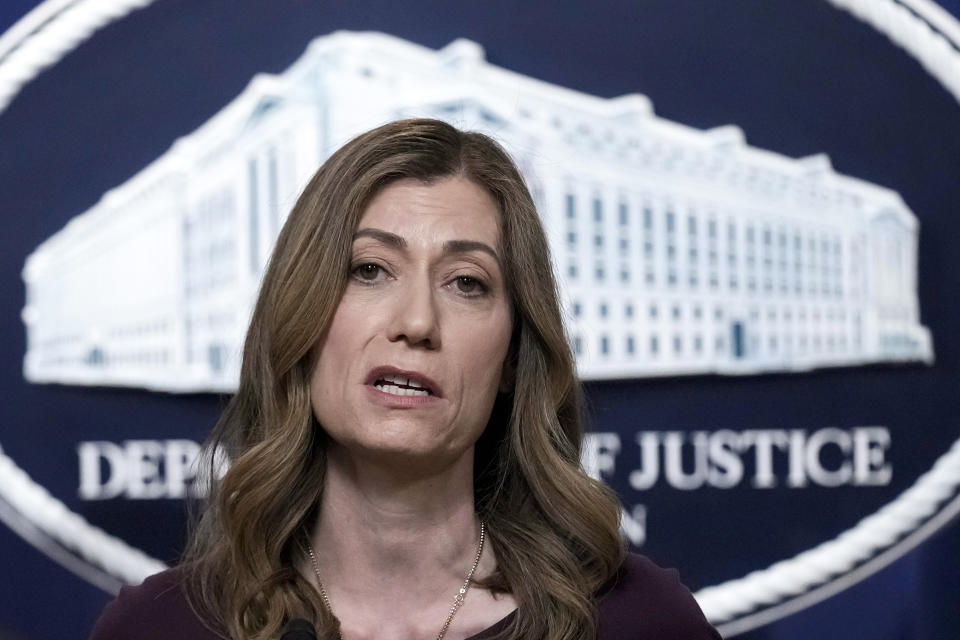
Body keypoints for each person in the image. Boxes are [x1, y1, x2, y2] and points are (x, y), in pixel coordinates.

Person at [90, 118, 721, 640]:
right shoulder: (159, 628)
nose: (417, 321)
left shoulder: (638, 622)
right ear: (300, 321)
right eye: (369, 269)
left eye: (467, 283)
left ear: (512, 360)